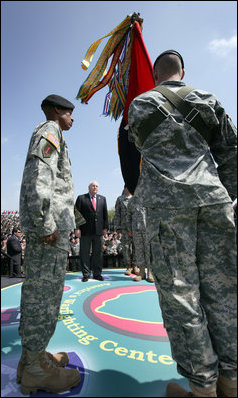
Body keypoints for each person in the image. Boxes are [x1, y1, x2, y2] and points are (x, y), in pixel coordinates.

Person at [128, 50, 237, 397]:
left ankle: (203, 387)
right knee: (225, 293)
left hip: (167, 208)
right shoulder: (207, 99)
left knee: (181, 297)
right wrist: (222, 195)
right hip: (214, 202)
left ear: (156, 75)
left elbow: (137, 144)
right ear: (183, 72)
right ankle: (231, 381)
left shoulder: (140, 104)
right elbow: (232, 151)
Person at [17, 94, 81, 395]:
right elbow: (38, 176)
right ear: (58, 111)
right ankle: (34, 370)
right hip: (49, 231)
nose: (73, 118)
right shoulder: (50, 131)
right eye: (70, 112)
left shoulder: (53, 134)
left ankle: (34, 355)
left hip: (53, 228)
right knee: (42, 297)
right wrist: (45, 224)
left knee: (42, 295)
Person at [75, 181, 108, 282]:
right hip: (85, 231)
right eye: (93, 186)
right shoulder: (81, 198)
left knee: (98, 253)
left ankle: (97, 274)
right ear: (89, 187)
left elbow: (105, 215)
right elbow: (76, 214)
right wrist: (77, 228)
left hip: (98, 231)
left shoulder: (102, 199)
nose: (95, 187)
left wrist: (105, 228)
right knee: (84, 253)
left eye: (97, 186)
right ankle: (86, 274)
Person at [127, 196, 154, 283]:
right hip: (136, 229)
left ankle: (150, 272)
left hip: (148, 229)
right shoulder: (132, 200)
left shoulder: (149, 197)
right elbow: (128, 215)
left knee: (149, 250)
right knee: (139, 250)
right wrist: (129, 228)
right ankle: (142, 272)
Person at [114, 187, 139, 276]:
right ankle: (128, 266)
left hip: (136, 226)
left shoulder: (137, 197)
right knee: (126, 247)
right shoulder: (120, 199)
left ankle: (135, 265)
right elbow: (117, 214)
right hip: (124, 228)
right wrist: (118, 228)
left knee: (136, 246)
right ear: (125, 188)